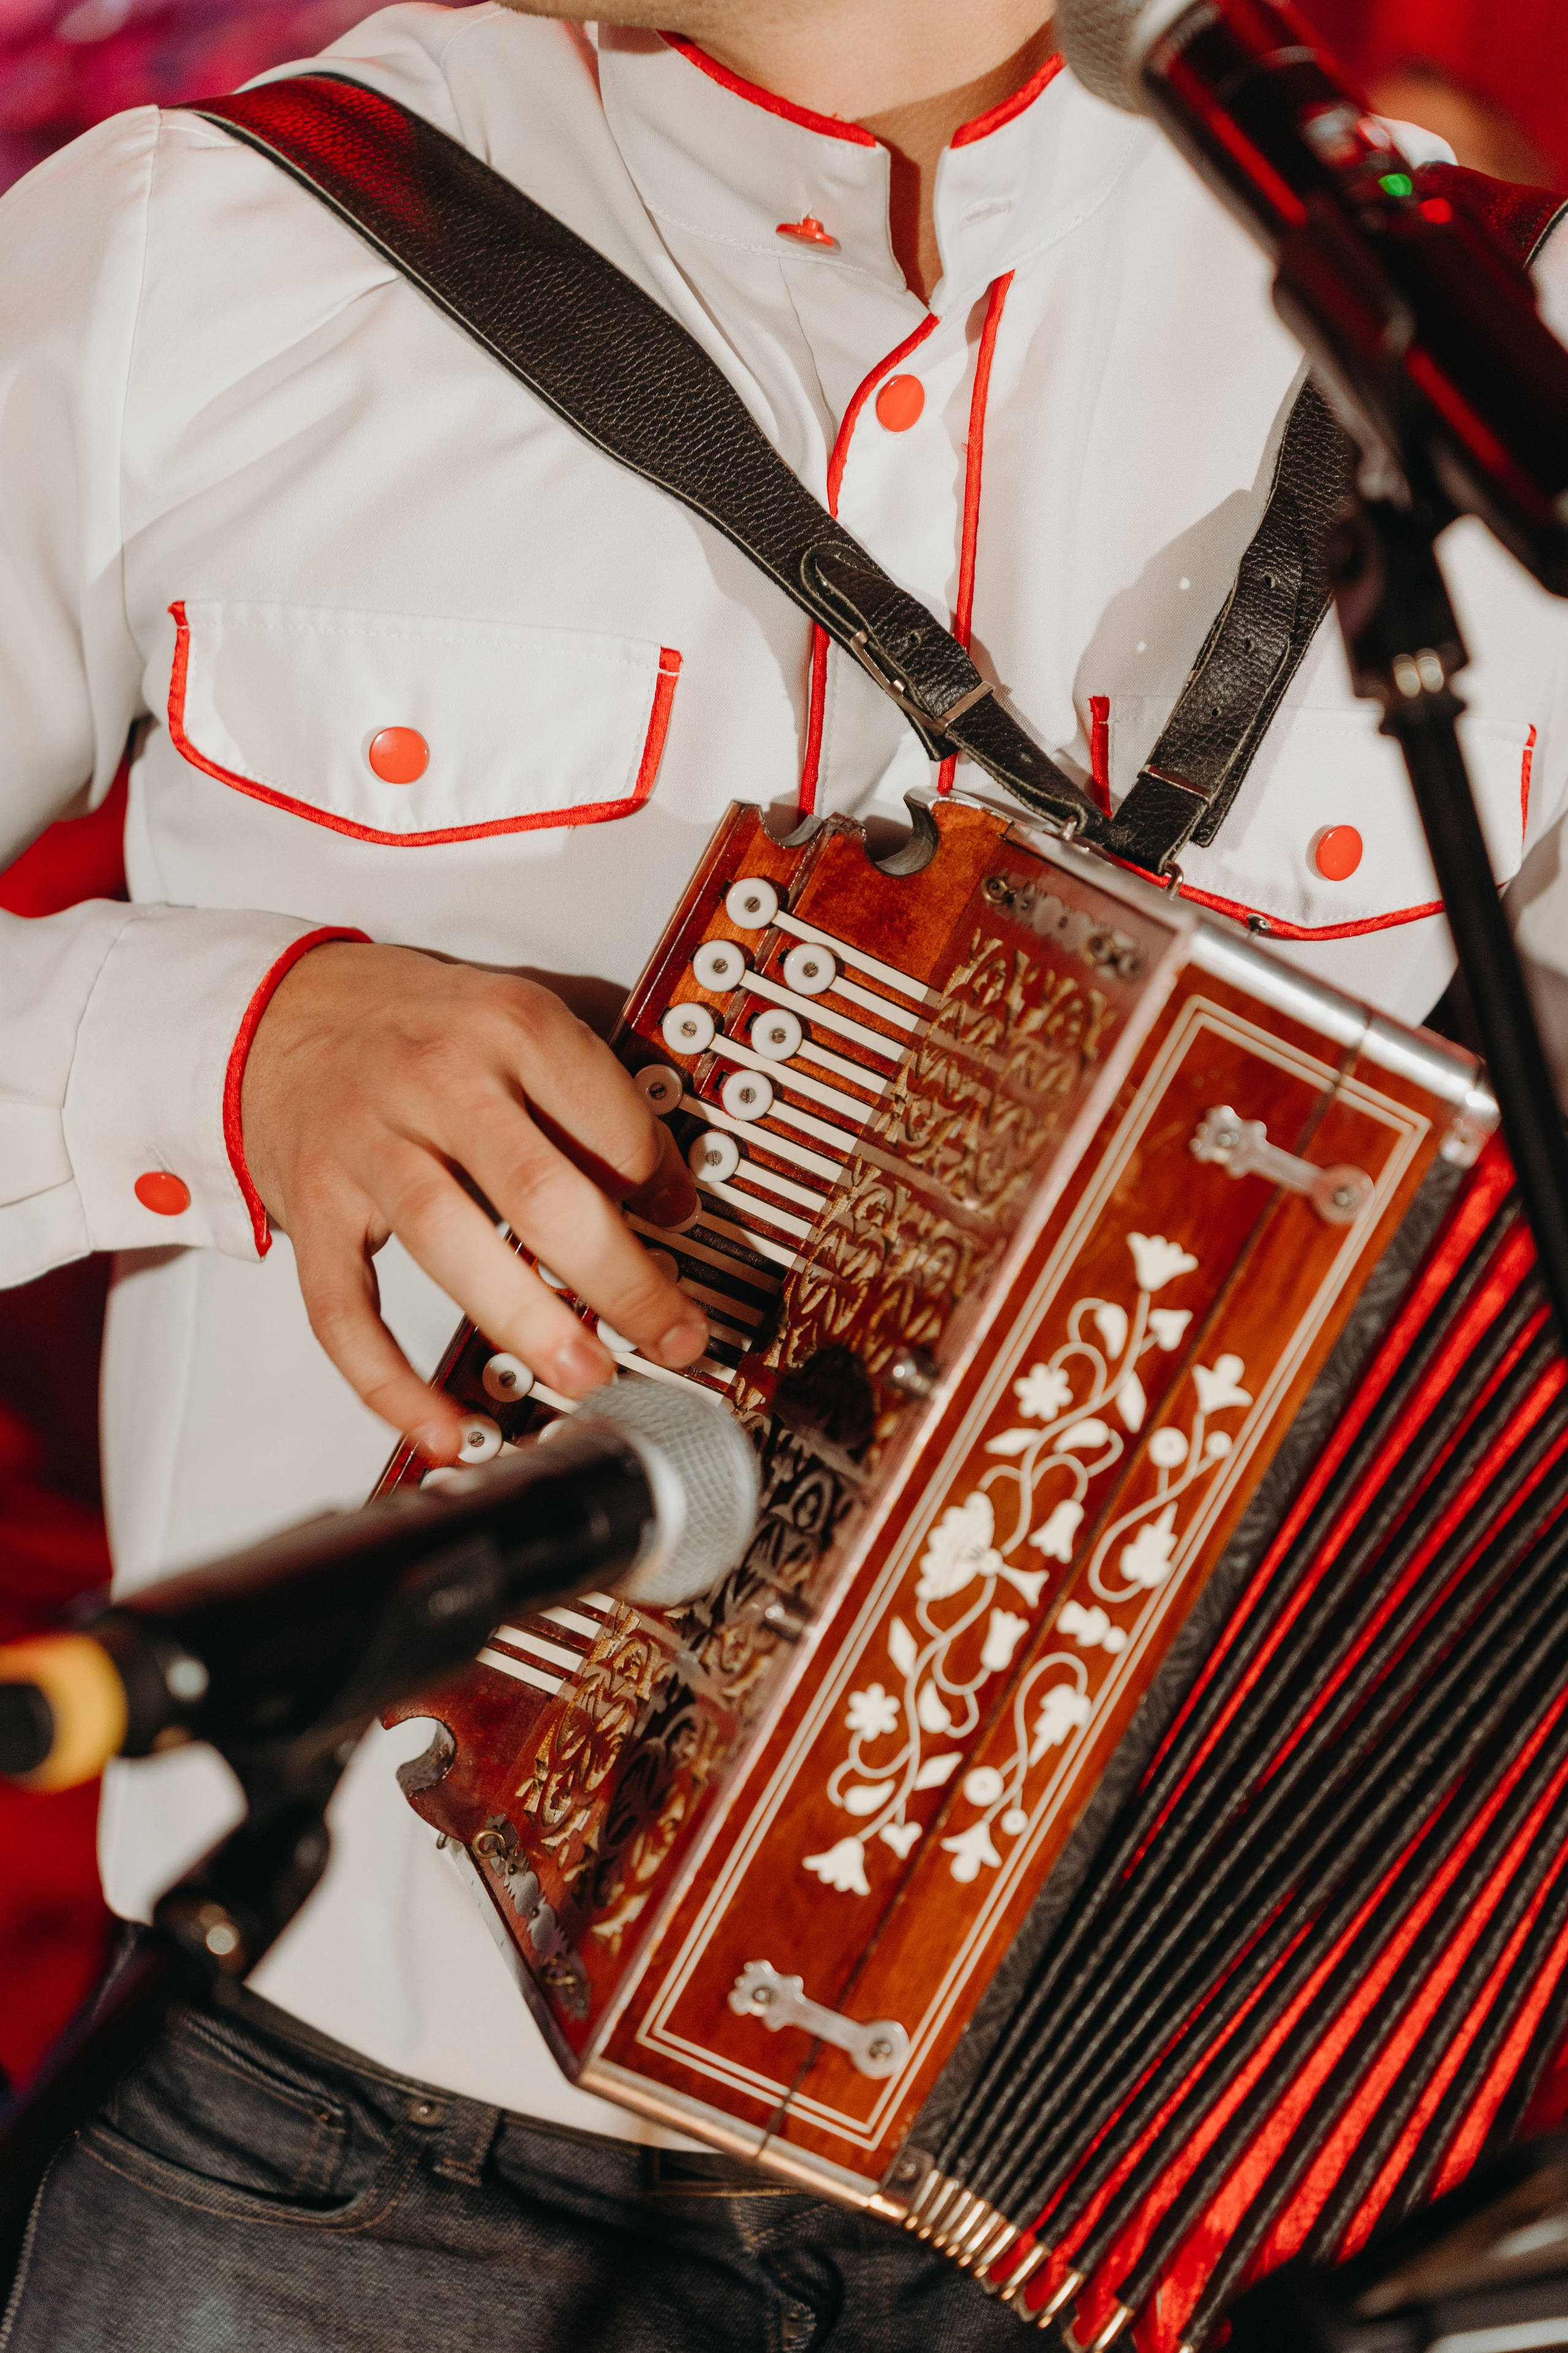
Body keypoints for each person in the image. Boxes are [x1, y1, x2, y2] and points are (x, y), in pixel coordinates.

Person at [1, 3, 1566, 2344]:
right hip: (347, 2172)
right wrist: (237, 1047)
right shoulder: (194, 252)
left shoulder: (1483, 336)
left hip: (1192, 2190)